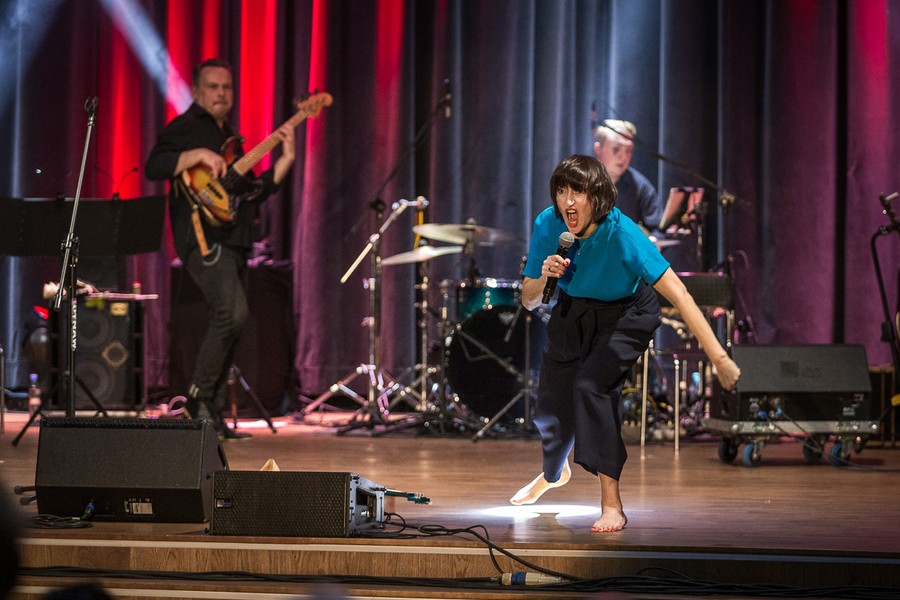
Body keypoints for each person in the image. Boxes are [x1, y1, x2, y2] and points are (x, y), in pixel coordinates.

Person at [510, 155, 740, 532]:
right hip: (575, 309)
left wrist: (719, 358)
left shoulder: (623, 233)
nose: (568, 201)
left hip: (626, 314)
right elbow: (530, 298)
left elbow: (679, 294)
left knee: (592, 388)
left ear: (597, 196)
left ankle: (612, 504)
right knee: (550, 409)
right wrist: (544, 276)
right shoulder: (547, 224)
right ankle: (553, 474)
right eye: (562, 191)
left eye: (578, 192)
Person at [145, 58, 296, 439]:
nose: (221, 94)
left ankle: (208, 413)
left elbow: (252, 194)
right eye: (213, 87)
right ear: (196, 91)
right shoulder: (183, 129)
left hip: (235, 239)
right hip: (202, 237)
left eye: (226, 88)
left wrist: (285, 162)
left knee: (233, 322)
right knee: (232, 313)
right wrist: (194, 155)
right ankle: (196, 400)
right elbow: (155, 165)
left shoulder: (233, 139)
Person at [592, 119, 663, 236]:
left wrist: (652, 241)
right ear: (598, 149)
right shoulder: (579, 181)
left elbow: (657, 231)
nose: (623, 157)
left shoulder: (640, 185)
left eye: (629, 150)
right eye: (616, 149)